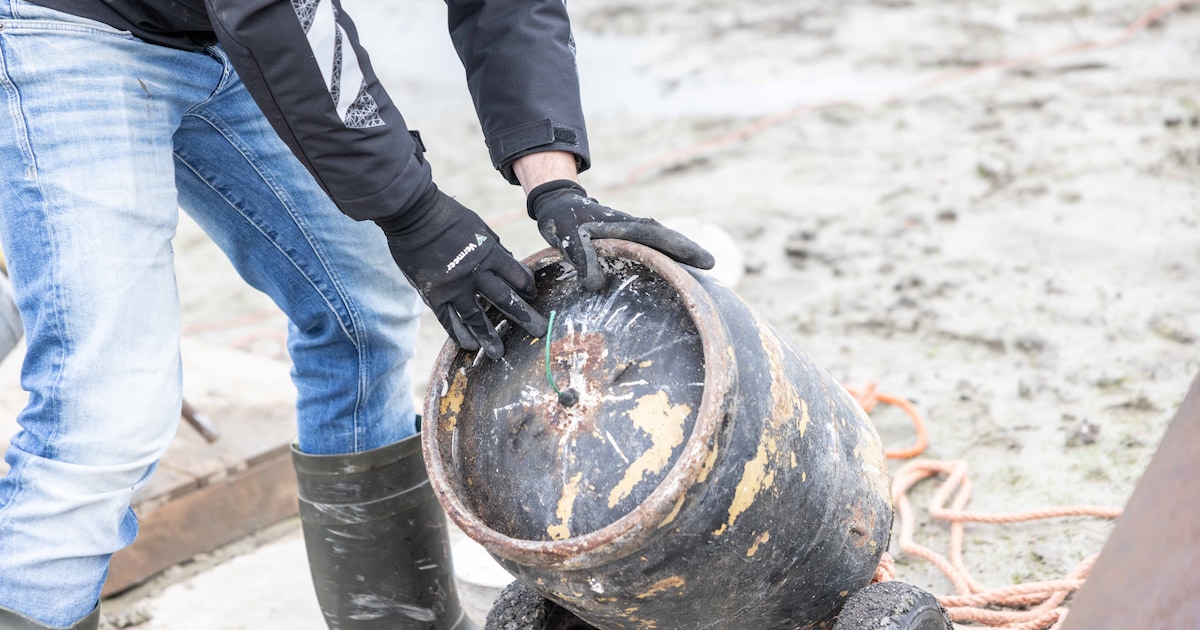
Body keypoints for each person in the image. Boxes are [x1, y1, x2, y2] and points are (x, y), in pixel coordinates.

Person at [0, 0, 714, 628]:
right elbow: (270, 12)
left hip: (226, 36)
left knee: (361, 316)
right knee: (103, 412)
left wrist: (554, 186)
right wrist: (416, 215)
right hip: (68, 25)